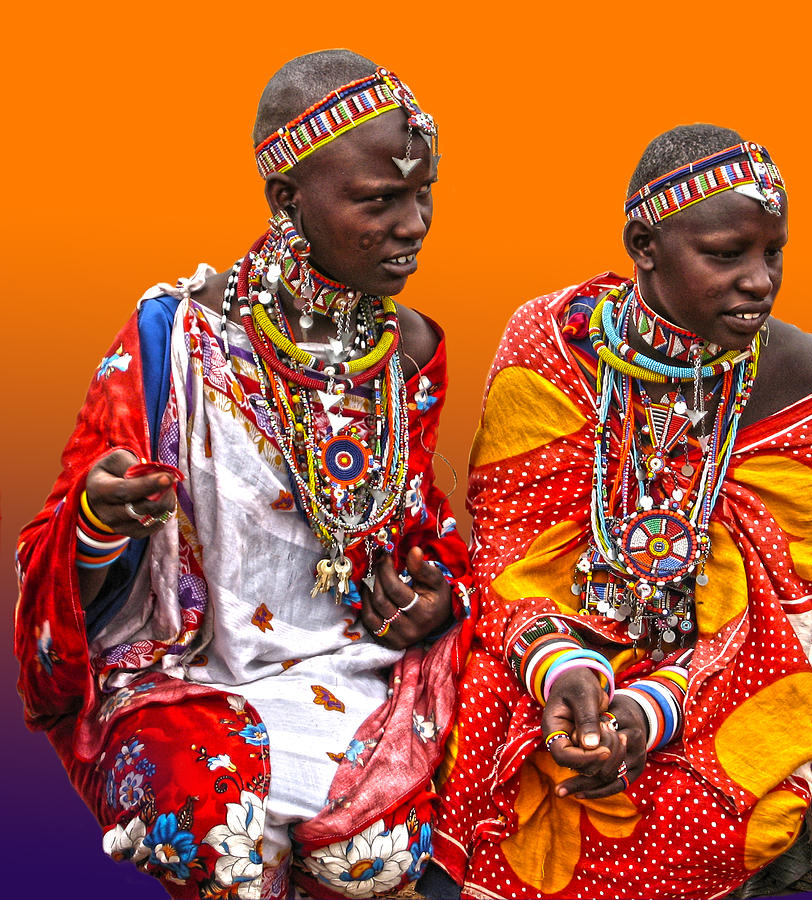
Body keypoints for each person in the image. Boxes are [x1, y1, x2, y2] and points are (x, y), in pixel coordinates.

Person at [14, 49, 474, 899]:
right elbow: (59, 551)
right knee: (219, 836)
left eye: (424, 191)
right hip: (187, 685)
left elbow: (423, 534)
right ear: (287, 202)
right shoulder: (172, 341)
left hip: (353, 678)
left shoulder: (407, 353)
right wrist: (100, 519)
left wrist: (434, 598)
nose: (416, 224)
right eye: (381, 200)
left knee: (372, 862)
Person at [425, 126, 812, 900]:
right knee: (488, 759)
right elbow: (510, 548)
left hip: (728, 671)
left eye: (775, 254)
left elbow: (782, 604)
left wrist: (648, 710)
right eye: (727, 255)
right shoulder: (554, 342)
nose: (760, 281)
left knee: (722, 808)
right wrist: (562, 668)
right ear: (644, 244)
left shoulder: (810, 382)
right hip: (551, 648)